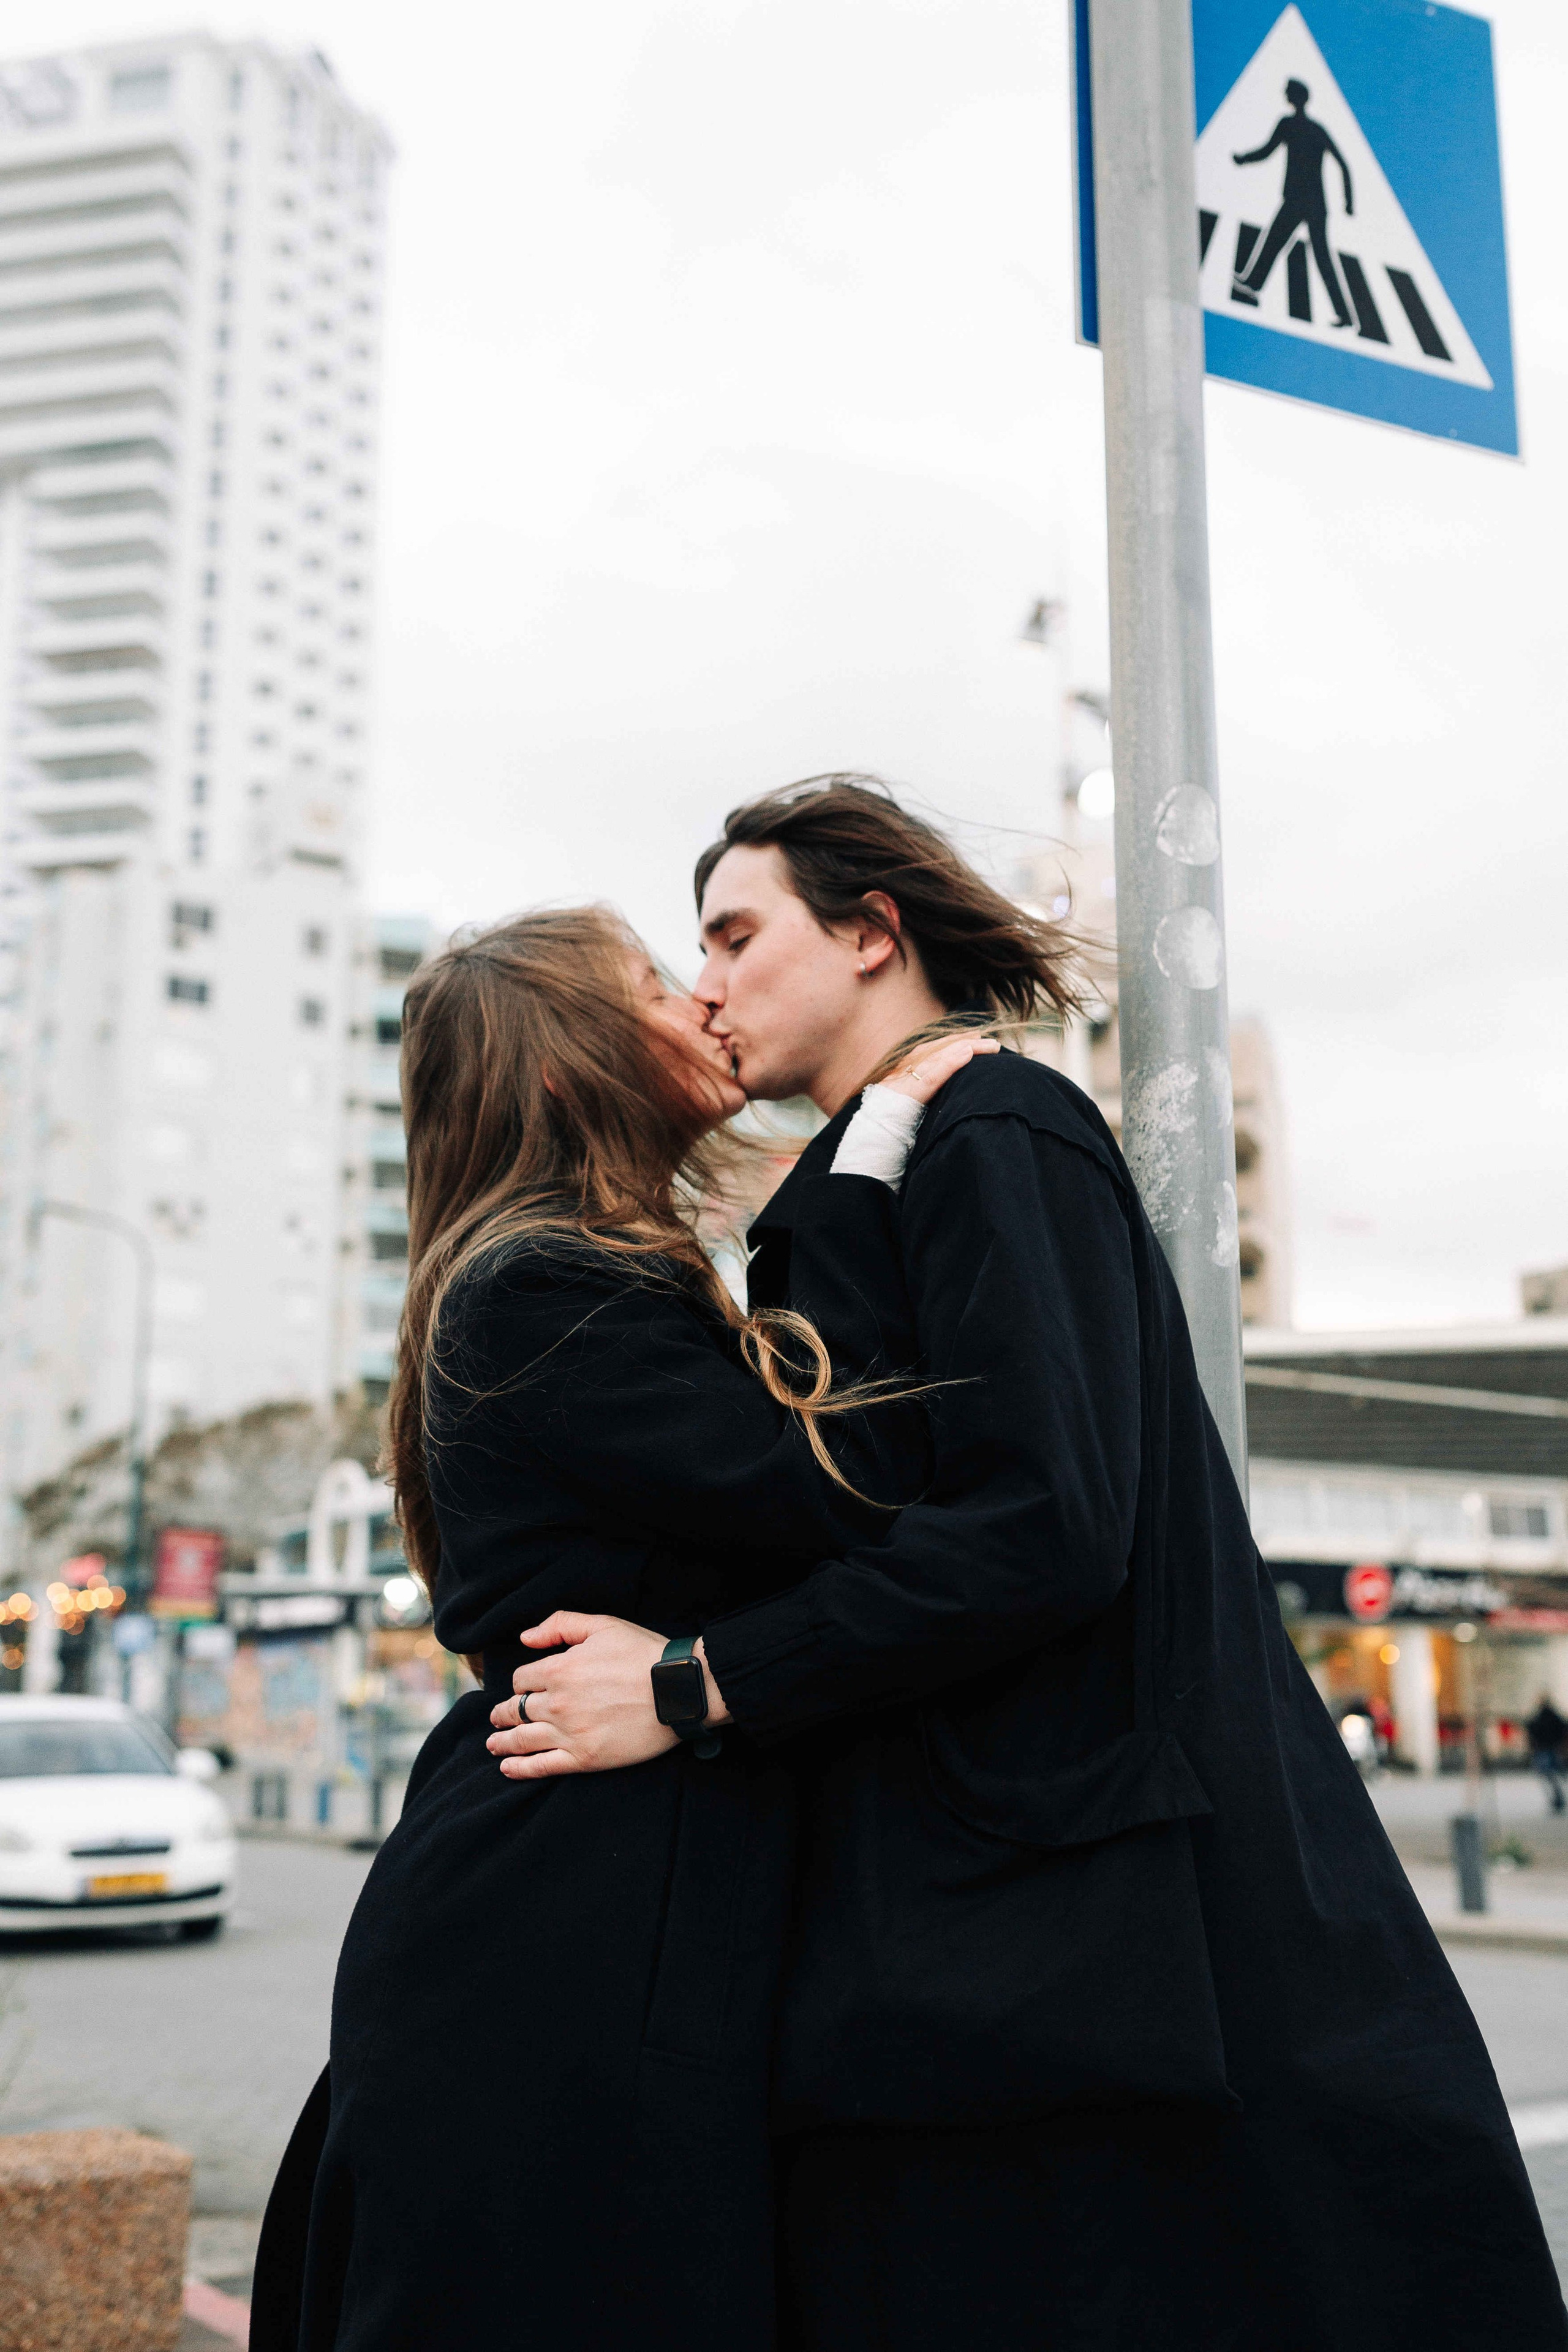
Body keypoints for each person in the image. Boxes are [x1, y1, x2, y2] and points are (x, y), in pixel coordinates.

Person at [491, 778, 1568, 2350]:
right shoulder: (895, 1144)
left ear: (870, 931)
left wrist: (694, 1681)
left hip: (1082, 1904)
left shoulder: (999, 1127)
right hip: (984, 1902)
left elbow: (1043, 1523)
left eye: (734, 932)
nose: (705, 980)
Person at [248, 903, 993, 2352]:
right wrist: (872, 1146)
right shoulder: (541, 1289)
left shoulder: (568, 1274)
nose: (702, 1000)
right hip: (566, 1906)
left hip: (594, 1868)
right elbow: (856, 1473)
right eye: (656, 980)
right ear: (557, 1065)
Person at [1232, 77, 1354, 327]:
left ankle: (1345, 314)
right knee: (1280, 242)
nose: (1286, 95)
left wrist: (1243, 160)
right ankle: (1253, 283)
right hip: (1312, 203)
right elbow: (1344, 166)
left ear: (1295, 97)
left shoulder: (1291, 125)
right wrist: (1348, 201)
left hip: (1301, 201)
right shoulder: (1313, 129)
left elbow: (1267, 151)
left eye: (1288, 92)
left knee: (1295, 247)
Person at [1527, 1695, 1568, 1813]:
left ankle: (1557, 1800)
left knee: (1548, 1775)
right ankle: (1558, 1799)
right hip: (1553, 1749)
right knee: (1552, 1774)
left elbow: (1532, 1730)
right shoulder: (1554, 1716)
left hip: (1544, 1750)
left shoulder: (1540, 1717)